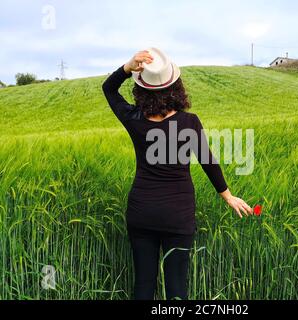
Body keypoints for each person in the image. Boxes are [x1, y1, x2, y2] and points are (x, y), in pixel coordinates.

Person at [102, 48, 253, 300]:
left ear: (141, 88)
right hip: (177, 215)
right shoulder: (189, 122)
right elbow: (208, 161)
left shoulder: (134, 118)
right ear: (176, 86)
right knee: (176, 289)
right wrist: (227, 195)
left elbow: (109, 89)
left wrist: (128, 68)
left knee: (143, 285)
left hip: (141, 212)